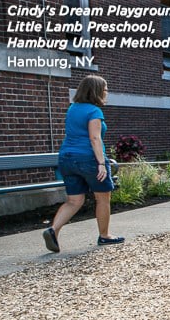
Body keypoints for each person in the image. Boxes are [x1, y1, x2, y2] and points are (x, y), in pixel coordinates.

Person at [43, 74, 124, 252]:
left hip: (66, 158)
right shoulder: (94, 111)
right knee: (103, 198)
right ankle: (104, 236)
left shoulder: (72, 108)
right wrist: (101, 163)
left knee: (74, 200)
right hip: (89, 159)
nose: (107, 93)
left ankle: (53, 230)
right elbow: (94, 138)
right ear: (96, 91)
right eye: (105, 89)